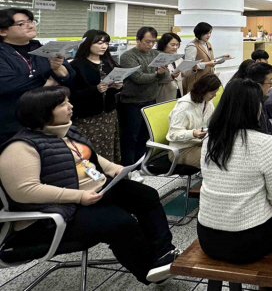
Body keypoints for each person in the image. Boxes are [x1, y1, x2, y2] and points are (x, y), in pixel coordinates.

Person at [0, 86, 179, 284]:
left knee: (146, 195)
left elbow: (88, 157)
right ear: (42, 112)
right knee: (120, 223)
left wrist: (113, 168)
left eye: (68, 101)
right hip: (58, 211)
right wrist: (78, 197)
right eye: (63, 104)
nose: (70, 106)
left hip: (95, 192)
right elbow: (24, 191)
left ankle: (164, 254)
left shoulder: (69, 131)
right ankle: (150, 272)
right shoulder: (21, 147)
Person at [198, 79, 272, 268]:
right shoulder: (265, 143)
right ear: (254, 108)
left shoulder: (210, 139)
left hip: (208, 237)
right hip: (247, 240)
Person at [0, 8, 75, 144]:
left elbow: (70, 78)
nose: (30, 25)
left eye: (31, 21)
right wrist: (45, 82)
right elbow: (7, 84)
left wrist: (57, 68)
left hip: (48, 122)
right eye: (21, 24)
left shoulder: (44, 49)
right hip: (11, 124)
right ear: (3, 31)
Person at [69, 30, 122, 163]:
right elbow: (71, 94)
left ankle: (110, 174)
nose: (104, 46)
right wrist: (95, 90)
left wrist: (117, 87)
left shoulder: (109, 63)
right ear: (87, 43)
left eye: (106, 43)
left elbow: (113, 88)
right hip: (87, 117)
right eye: (99, 43)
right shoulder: (76, 65)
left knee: (108, 147)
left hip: (108, 114)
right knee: (89, 150)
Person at [118, 26, 168, 167]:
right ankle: (129, 167)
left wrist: (162, 71)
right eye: (147, 41)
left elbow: (163, 76)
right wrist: (157, 74)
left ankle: (141, 165)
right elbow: (138, 78)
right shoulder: (128, 56)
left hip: (150, 100)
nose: (150, 45)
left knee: (145, 136)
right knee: (130, 137)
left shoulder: (155, 54)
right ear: (137, 40)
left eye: (153, 41)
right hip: (132, 102)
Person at [166, 73, 222, 168]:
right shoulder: (184, 106)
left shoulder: (207, 101)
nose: (215, 95)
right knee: (217, 158)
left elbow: (211, 121)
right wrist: (193, 133)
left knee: (228, 152)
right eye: (212, 93)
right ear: (204, 90)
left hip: (200, 144)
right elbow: (173, 134)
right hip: (181, 150)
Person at [183, 22, 228, 94]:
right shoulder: (192, 46)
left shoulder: (208, 44)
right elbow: (189, 66)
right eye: (206, 33)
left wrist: (222, 58)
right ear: (200, 33)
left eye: (210, 33)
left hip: (208, 79)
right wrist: (207, 64)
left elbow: (209, 60)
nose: (209, 35)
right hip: (197, 80)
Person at [246, 62, 272, 132]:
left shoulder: (262, 100)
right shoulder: (249, 106)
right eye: (270, 83)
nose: (271, 86)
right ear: (258, 85)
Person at [155, 32, 185, 102]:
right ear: (164, 45)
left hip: (178, 91)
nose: (175, 47)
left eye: (177, 45)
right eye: (172, 45)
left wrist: (193, 68)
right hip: (164, 93)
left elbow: (184, 73)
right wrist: (171, 76)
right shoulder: (158, 58)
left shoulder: (178, 57)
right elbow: (156, 79)